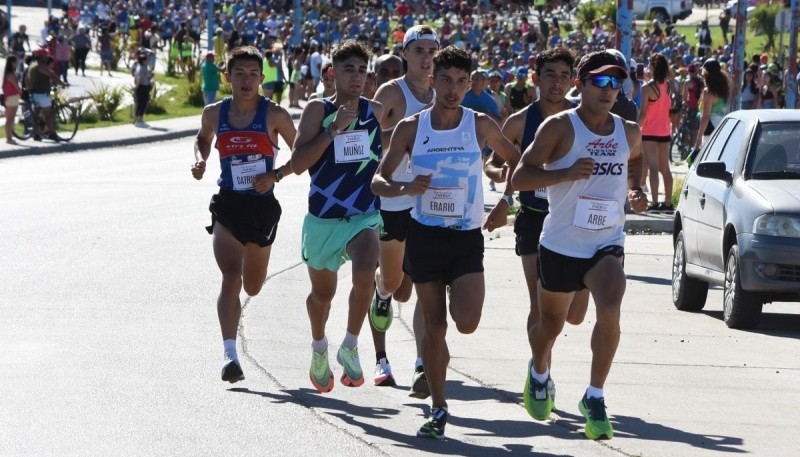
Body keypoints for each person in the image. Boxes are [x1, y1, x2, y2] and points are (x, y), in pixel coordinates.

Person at [373, 45, 520, 439]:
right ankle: (438, 408)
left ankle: (437, 366)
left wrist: (506, 200)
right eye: (445, 81)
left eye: (461, 82)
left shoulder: (480, 124)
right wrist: (405, 185)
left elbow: (516, 158)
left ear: (468, 84)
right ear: (432, 81)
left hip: (466, 237)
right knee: (434, 327)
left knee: (467, 322)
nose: (453, 89)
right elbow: (378, 179)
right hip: (424, 235)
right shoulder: (411, 127)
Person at [511, 50, 648, 441]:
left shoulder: (629, 130)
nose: (609, 90)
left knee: (610, 308)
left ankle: (595, 395)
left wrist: (635, 192)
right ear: (581, 85)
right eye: (600, 82)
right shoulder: (559, 127)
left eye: (615, 83)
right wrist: (566, 173)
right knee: (550, 325)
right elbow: (520, 177)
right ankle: (539, 371)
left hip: (607, 242)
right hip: (561, 243)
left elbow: (634, 163)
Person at [487, 48, 593, 411]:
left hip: (576, 219)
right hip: (534, 217)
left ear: (573, 80)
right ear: (536, 78)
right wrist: (503, 181)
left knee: (575, 314)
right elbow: (493, 163)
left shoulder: (585, 118)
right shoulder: (519, 121)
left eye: (564, 75)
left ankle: (541, 361)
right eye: (550, 74)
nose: (557, 82)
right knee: (540, 304)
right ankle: (540, 373)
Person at [191, 45, 297, 383]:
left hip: (262, 208)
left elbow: (305, 153)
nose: (247, 80)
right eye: (240, 74)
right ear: (227, 76)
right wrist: (202, 158)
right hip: (229, 203)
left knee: (252, 286)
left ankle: (231, 347)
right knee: (230, 277)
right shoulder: (214, 113)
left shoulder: (275, 114)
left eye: (253, 74)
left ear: (262, 77)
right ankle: (229, 355)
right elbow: (202, 139)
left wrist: (276, 175)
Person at [291, 40, 384, 394]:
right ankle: (319, 348)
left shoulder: (375, 111)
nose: (357, 77)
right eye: (349, 70)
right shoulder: (319, 109)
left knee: (365, 272)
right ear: (332, 73)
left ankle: (350, 343)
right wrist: (333, 132)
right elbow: (299, 165)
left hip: (363, 215)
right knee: (322, 295)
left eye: (362, 70)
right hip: (324, 220)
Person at [370, 25, 439, 393]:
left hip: (431, 202)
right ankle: (379, 295)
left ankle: (421, 366)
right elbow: (367, 137)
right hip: (393, 198)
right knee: (395, 286)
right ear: (406, 54)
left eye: (432, 51)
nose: (426, 58)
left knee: (426, 286)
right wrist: (402, 138)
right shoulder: (391, 92)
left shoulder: (442, 92)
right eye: (419, 51)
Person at [638, 53, 674, 213]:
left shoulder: (647, 88)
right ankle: (667, 202)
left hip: (649, 131)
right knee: (665, 168)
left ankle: (654, 202)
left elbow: (644, 114)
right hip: (665, 131)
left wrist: (634, 127)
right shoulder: (669, 86)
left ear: (652, 67)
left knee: (653, 167)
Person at [25, 47, 66, 142]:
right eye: (45, 56)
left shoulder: (31, 66)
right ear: (42, 57)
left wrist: (29, 89)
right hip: (42, 94)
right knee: (49, 114)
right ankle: (52, 133)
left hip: (34, 94)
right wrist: (62, 83)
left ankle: (36, 134)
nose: (46, 58)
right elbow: (52, 75)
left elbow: (26, 79)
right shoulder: (40, 66)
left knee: (37, 114)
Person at [693, 59, 730, 154]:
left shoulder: (708, 91)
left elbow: (706, 116)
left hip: (710, 128)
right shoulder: (724, 89)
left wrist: (698, 140)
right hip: (722, 126)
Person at [3, 55, 21, 145]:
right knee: (10, 119)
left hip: (10, 97)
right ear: (12, 63)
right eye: (15, 62)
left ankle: (9, 137)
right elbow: (16, 87)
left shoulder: (8, 73)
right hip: (12, 97)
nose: (17, 64)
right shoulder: (11, 74)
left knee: (10, 118)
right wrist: (22, 92)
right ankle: (9, 138)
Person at [133, 51, 154, 128]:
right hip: (142, 87)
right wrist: (137, 86)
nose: (148, 60)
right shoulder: (142, 68)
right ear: (143, 60)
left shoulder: (143, 67)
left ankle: (140, 119)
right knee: (142, 103)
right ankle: (138, 120)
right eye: (147, 59)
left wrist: (150, 75)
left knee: (143, 103)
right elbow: (140, 78)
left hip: (144, 86)